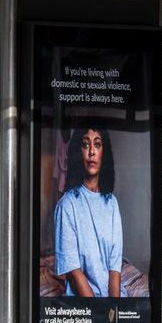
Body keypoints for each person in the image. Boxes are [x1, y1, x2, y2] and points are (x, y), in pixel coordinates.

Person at [53, 125, 123, 298]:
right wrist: (98, 313)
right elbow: (74, 271)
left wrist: (113, 309)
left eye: (97, 144)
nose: (91, 151)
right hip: (83, 307)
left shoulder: (112, 203)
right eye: (85, 145)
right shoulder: (67, 205)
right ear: (79, 152)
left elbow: (115, 266)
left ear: (103, 153)